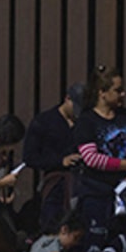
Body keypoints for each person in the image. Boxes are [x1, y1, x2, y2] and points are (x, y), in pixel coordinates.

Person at [69, 67, 126, 233]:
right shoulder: (87, 121)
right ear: (102, 93)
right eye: (118, 90)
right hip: (98, 194)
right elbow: (91, 157)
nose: (123, 95)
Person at [22, 84, 87, 232]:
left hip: (81, 183)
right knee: (53, 226)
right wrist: (60, 161)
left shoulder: (83, 123)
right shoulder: (44, 122)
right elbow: (30, 157)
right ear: (67, 99)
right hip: (55, 184)